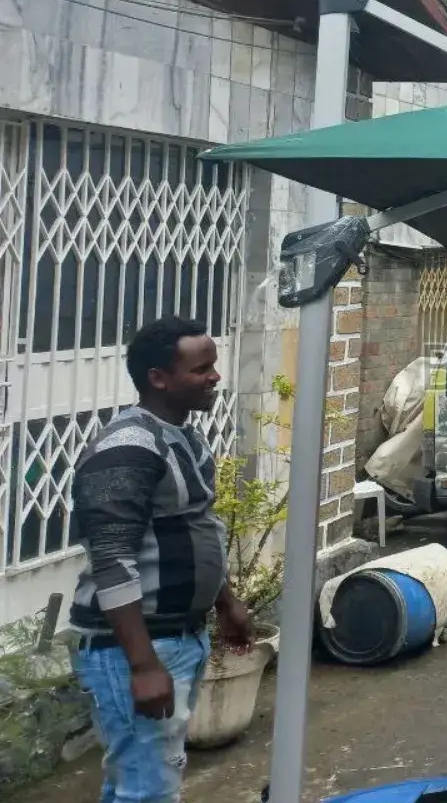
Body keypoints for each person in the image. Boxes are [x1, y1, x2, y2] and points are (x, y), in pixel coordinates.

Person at [69, 316, 253, 803]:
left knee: (140, 780)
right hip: (136, 647)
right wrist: (143, 664)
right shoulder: (128, 447)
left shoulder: (183, 438)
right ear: (158, 378)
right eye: (202, 368)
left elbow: (197, 526)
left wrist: (225, 602)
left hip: (178, 639)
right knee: (148, 789)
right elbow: (112, 560)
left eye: (214, 365)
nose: (215, 376)